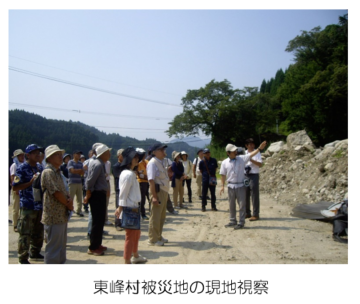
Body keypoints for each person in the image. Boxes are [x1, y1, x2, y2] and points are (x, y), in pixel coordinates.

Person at [219, 141, 267, 229]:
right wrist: (222, 185)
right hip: (230, 186)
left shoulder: (241, 159)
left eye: (235, 150)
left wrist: (259, 149)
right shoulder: (224, 162)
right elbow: (223, 175)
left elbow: (251, 154)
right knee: (231, 205)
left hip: (240, 186)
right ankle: (232, 220)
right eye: (233, 151)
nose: (235, 152)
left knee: (242, 205)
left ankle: (241, 222)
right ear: (228, 153)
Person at [41, 145, 73, 264]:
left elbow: (64, 190)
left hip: (61, 216)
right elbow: (56, 193)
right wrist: (68, 204)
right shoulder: (48, 172)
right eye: (57, 155)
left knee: (61, 248)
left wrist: (69, 200)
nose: (60, 157)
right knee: (53, 249)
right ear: (49, 158)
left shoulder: (58, 172)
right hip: (53, 217)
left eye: (61, 154)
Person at [13, 144, 45, 264]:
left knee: (38, 232)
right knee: (25, 233)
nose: (38, 155)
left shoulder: (39, 168)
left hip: (39, 205)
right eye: (35, 152)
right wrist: (30, 182)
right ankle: (23, 257)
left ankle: (35, 252)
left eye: (39, 152)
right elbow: (15, 187)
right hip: (27, 205)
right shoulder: (21, 168)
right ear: (28, 155)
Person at [115, 147, 147, 264]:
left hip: (133, 207)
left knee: (136, 234)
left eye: (137, 157)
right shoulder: (128, 174)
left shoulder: (129, 173)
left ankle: (135, 255)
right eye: (134, 157)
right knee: (130, 236)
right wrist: (120, 208)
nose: (137, 159)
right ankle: (127, 260)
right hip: (130, 208)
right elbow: (123, 193)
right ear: (129, 159)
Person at [84, 144, 112, 256]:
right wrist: (88, 194)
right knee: (97, 222)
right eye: (108, 152)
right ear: (103, 154)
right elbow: (90, 181)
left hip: (100, 194)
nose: (109, 154)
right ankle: (93, 247)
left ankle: (97, 243)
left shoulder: (101, 163)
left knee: (100, 221)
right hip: (97, 195)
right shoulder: (97, 164)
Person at [147, 142, 170, 246]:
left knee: (161, 216)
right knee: (155, 216)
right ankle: (153, 239)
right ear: (154, 152)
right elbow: (151, 181)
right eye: (161, 150)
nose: (163, 151)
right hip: (157, 191)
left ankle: (159, 235)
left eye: (163, 150)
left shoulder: (162, 161)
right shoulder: (152, 163)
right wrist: (154, 197)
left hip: (164, 191)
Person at [244, 138, 263, 221]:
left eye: (253, 144)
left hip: (254, 175)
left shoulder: (257, 152)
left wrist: (251, 159)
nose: (252, 146)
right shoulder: (243, 153)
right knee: (245, 194)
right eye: (250, 144)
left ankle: (255, 214)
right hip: (245, 175)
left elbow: (260, 164)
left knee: (254, 195)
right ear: (246, 146)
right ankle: (247, 212)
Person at [10, 149, 25, 232]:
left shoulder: (23, 164)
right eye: (20, 155)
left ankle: (20, 224)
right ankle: (15, 224)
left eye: (23, 155)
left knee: (22, 208)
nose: (22, 157)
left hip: (22, 188)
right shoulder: (14, 165)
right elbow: (13, 177)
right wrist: (15, 188)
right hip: (17, 188)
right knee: (16, 207)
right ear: (17, 157)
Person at [67, 150, 85, 216]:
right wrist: (79, 171)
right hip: (72, 182)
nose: (79, 155)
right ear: (74, 155)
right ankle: (69, 210)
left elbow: (83, 173)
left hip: (79, 182)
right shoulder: (70, 162)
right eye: (78, 154)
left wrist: (77, 171)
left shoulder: (80, 163)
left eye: (79, 154)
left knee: (79, 198)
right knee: (71, 197)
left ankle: (79, 210)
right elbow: (72, 171)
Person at [135, 148, 150, 220]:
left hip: (147, 182)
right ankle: (142, 213)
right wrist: (145, 177)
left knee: (148, 198)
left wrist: (146, 177)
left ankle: (146, 212)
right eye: (143, 154)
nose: (144, 155)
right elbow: (138, 174)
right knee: (142, 199)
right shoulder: (137, 163)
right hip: (141, 182)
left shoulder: (147, 162)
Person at [113, 148, 124, 230]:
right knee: (118, 206)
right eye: (122, 154)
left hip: (124, 188)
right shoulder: (116, 166)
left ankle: (123, 222)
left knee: (124, 206)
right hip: (118, 188)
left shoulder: (125, 165)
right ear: (118, 156)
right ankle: (117, 224)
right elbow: (119, 176)